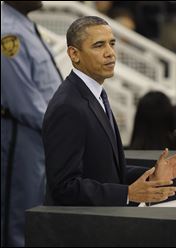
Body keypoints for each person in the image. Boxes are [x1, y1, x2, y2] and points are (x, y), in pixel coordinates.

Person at [42, 16, 176, 207]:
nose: (110, 53)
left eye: (112, 44)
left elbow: (107, 171)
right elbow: (64, 187)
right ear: (74, 54)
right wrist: (127, 194)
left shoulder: (96, 93)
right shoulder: (68, 106)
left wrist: (151, 174)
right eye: (99, 45)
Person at [1, 1, 62, 247]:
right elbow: (22, 99)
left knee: (36, 211)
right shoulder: (7, 31)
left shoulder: (22, 24)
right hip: (20, 131)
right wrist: (60, 127)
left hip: (39, 132)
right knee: (18, 216)